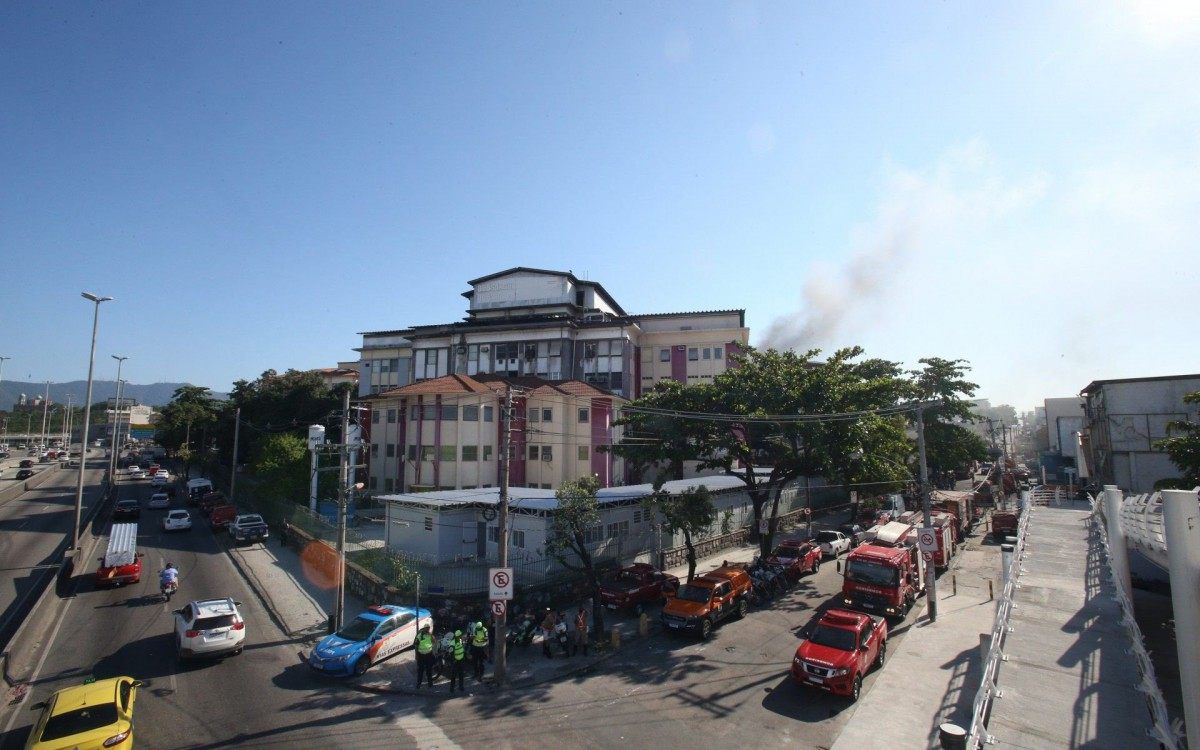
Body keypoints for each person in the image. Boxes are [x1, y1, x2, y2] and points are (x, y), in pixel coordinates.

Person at [414, 624, 435, 690]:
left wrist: (431, 635)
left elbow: (434, 641)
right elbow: (416, 646)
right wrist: (416, 655)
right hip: (421, 655)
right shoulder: (419, 636)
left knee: (429, 670)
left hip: (429, 655)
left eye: (428, 628)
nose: (427, 629)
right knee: (420, 670)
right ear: (424, 629)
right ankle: (419, 684)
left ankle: (430, 683)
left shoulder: (430, 635)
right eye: (426, 628)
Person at [448, 630, 466, 695]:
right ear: (457, 636)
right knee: (453, 675)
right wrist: (453, 660)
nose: (461, 636)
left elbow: (462, 649)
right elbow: (450, 653)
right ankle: (452, 688)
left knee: (461, 674)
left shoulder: (460, 641)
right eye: (460, 636)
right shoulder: (452, 643)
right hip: (455, 661)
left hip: (461, 660)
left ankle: (461, 687)